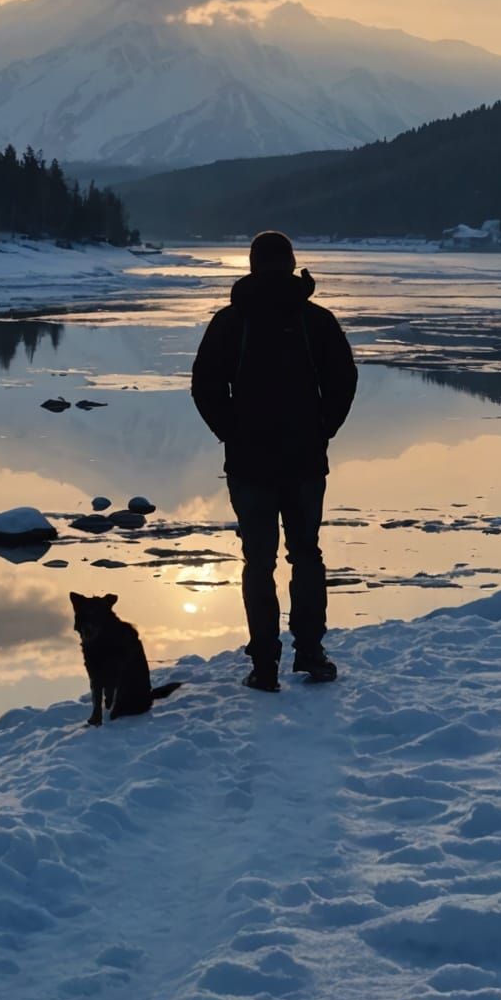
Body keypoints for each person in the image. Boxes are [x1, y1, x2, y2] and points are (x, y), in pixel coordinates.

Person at [191, 231, 358, 692]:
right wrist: (323, 428)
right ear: (290, 264)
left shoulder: (230, 321)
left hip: (250, 465)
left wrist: (232, 433)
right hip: (304, 462)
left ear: (251, 265)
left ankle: (264, 664)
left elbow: (204, 386)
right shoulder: (316, 320)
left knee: (257, 561)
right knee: (306, 554)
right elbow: (344, 381)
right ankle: (311, 653)